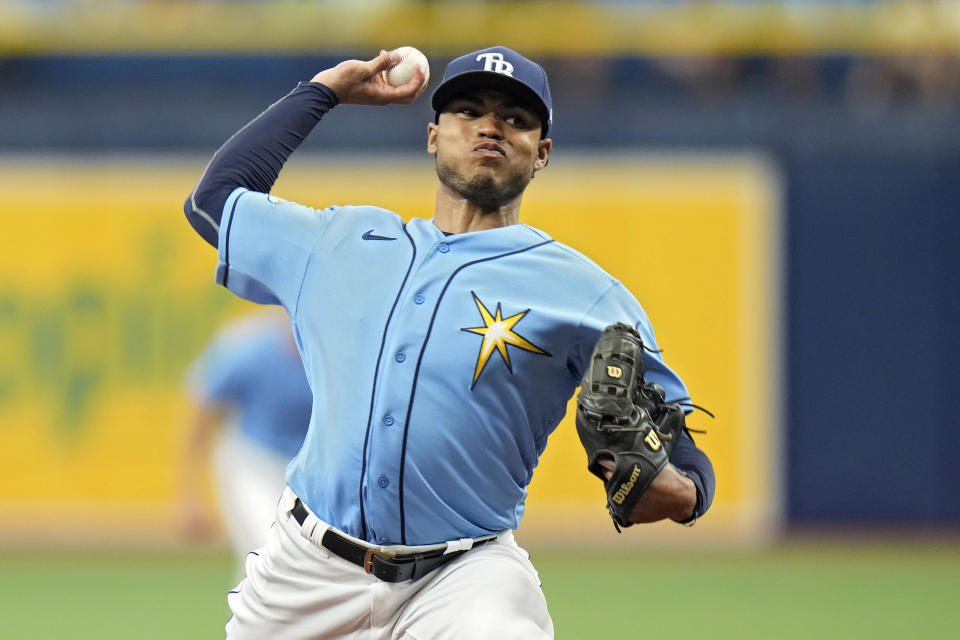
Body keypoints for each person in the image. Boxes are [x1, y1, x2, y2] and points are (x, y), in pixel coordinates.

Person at [184, 45, 715, 639]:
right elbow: (214, 200)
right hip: (305, 571)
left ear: (541, 153)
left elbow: (684, 458)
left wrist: (673, 491)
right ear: (434, 135)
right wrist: (323, 91)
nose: (491, 126)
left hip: (464, 575)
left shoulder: (586, 293)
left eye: (516, 118)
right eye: (469, 111)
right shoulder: (339, 241)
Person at [178, 308, 312, 573]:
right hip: (251, 461)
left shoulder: (335, 352)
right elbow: (201, 408)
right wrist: (188, 495)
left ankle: (251, 611)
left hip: (306, 468)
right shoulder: (246, 346)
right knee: (268, 550)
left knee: (300, 564)